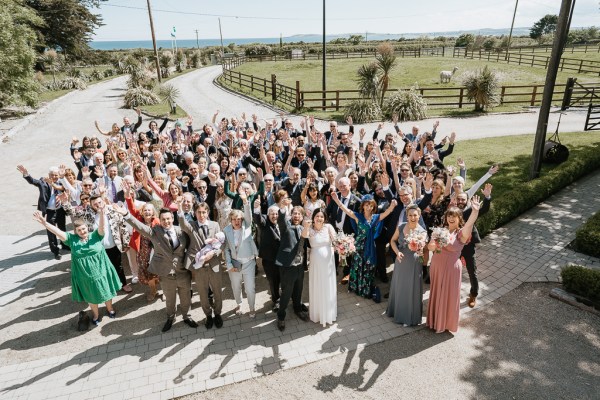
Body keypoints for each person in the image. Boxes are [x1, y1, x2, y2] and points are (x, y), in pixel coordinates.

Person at [32, 208, 120, 326]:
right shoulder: (71, 240)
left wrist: (102, 214)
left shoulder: (95, 236)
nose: (82, 231)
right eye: (79, 230)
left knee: (105, 290)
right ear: (76, 231)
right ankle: (96, 314)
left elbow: (102, 227)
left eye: (83, 229)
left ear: (87, 228)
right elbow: (57, 232)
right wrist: (45, 223)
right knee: (90, 295)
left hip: (101, 270)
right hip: (84, 275)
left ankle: (110, 309)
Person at [119, 207, 196, 332]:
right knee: (170, 299)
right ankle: (171, 318)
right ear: (159, 220)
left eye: (168, 219)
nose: (166, 221)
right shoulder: (155, 232)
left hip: (182, 272)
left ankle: (187, 316)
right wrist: (127, 214)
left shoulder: (181, 231)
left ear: (172, 218)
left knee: (186, 297)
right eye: (163, 219)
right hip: (166, 275)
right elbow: (140, 227)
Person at [426, 196, 482, 334]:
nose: (451, 219)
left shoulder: (461, 234)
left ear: (459, 219)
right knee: (436, 292)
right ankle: (434, 321)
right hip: (437, 266)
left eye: (454, 216)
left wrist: (475, 212)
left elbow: (469, 224)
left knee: (449, 295)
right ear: (446, 218)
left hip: (451, 268)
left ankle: (445, 323)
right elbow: (431, 248)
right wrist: (432, 243)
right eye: (449, 216)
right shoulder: (441, 230)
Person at [331, 192, 397, 298]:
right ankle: (356, 287)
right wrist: (337, 201)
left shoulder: (376, 217)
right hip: (359, 246)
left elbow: (387, 213)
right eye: (366, 205)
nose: (369, 207)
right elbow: (346, 210)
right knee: (357, 266)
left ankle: (366, 288)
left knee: (368, 267)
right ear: (363, 206)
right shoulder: (358, 217)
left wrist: (392, 205)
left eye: (371, 205)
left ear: (373, 207)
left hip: (370, 246)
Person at [178, 201, 225, 330]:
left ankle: (218, 314)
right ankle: (208, 316)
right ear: (195, 213)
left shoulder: (215, 225)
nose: (201, 215)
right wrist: (179, 208)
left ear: (208, 213)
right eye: (199, 212)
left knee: (217, 292)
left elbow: (221, 244)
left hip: (214, 264)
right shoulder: (191, 225)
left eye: (204, 212)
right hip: (199, 267)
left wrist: (214, 253)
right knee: (203, 293)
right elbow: (182, 223)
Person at [387, 205, 426, 326]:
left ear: (419, 216)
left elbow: (422, 248)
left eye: (415, 215)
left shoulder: (422, 231)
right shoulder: (401, 226)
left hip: (414, 263)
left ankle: (409, 317)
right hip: (401, 261)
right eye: (410, 215)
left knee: (411, 288)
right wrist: (397, 252)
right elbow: (392, 241)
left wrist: (420, 250)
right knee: (399, 286)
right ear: (407, 216)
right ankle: (396, 311)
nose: (413, 217)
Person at [18, 165, 66, 260]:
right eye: (52, 175)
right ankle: (55, 251)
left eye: (56, 175)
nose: (54, 177)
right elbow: (33, 181)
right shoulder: (43, 182)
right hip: (49, 211)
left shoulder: (62, 182)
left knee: (62, 228)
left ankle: (65, 245)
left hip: (60, 210)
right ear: (48, 175)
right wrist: (26, 174)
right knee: (51, 232)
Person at [223, 192, 258, 318]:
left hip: (249, 262)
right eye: (234, 219)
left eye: (239, 219)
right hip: (234, 263)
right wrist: (229, 263)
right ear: (230, 220)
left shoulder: (246, 226)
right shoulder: (226, 231)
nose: (237, 221)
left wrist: (245, 201)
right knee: (236, 287)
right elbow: (226, 249)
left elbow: (248, 215)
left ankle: (252, 307)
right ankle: (239, 303)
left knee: (250, 288)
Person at [275, 206, 309, 331]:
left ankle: (297, 309)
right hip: (288, 266)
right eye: (294, 213)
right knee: (286, 292)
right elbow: (281, 220)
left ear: (302, 217)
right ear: (291, 215)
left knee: (299, 289)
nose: (296, 216)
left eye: (299, 214)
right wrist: (283, 208)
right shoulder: (286, 227)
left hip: (300, 265)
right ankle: (281, 316)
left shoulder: (303, 228)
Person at [302, 209, 337, 327]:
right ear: (313, 217)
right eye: (317, 216)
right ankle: (317, 314)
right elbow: (304, 236)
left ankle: (329, 313)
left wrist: (341, 246)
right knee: (317, 285)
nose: (319, 218)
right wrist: (306, 226)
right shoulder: (309, 228)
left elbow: (336, 241)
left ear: (325, 218)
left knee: (327, 285)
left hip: (328, 262)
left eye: (321, 217)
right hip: (315, 263)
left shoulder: (328, 227)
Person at [253, 201, 282, 311]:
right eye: (272, 214)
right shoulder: (264, 223)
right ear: (268, 215)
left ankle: (285, 297)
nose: (274, 216)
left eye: (276, 214)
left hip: (283, 259)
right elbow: (258, 219)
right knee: (273, 282)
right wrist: (256, 208)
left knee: (284, 280)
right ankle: (276, 301)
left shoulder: (282, 223)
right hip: (270, 260)